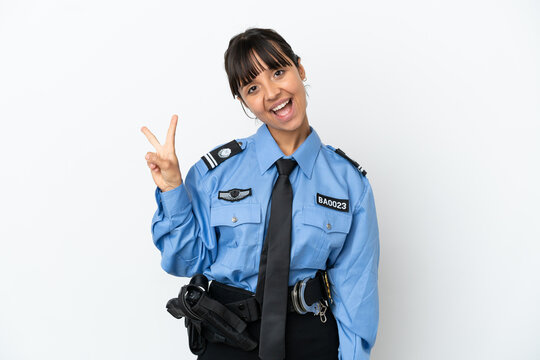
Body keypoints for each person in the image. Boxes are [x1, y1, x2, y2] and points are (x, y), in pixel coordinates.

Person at [141, 28, 380, 360]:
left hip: (310, 339)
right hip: (227, 337)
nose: (271, 93)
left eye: (279, 71)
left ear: (301, 68)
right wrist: (171, 189)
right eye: (253, 88)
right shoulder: (216, 174)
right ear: (243, 101)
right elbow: (184, 260)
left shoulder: (349, 183)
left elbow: (357, 291)